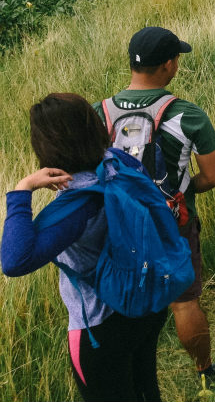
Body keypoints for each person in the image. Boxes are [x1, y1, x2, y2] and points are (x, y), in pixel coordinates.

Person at [2, 93, 169, 402]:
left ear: (47, 147)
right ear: (94, 126)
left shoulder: (76, 207)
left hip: (99, 326)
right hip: (147, 302)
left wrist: (21, 189)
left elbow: (14, 260)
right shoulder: (122, 163)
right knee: (146, 390)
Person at [95, 27, 215, 394]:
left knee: (120, 295)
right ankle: (204, 370)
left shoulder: (98, 112)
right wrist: (182, 193)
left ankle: (131, 365)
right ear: (169, 65)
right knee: (184, 301)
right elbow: (212, 177)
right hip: (172, 222)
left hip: (117, 222)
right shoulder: (186, 114)